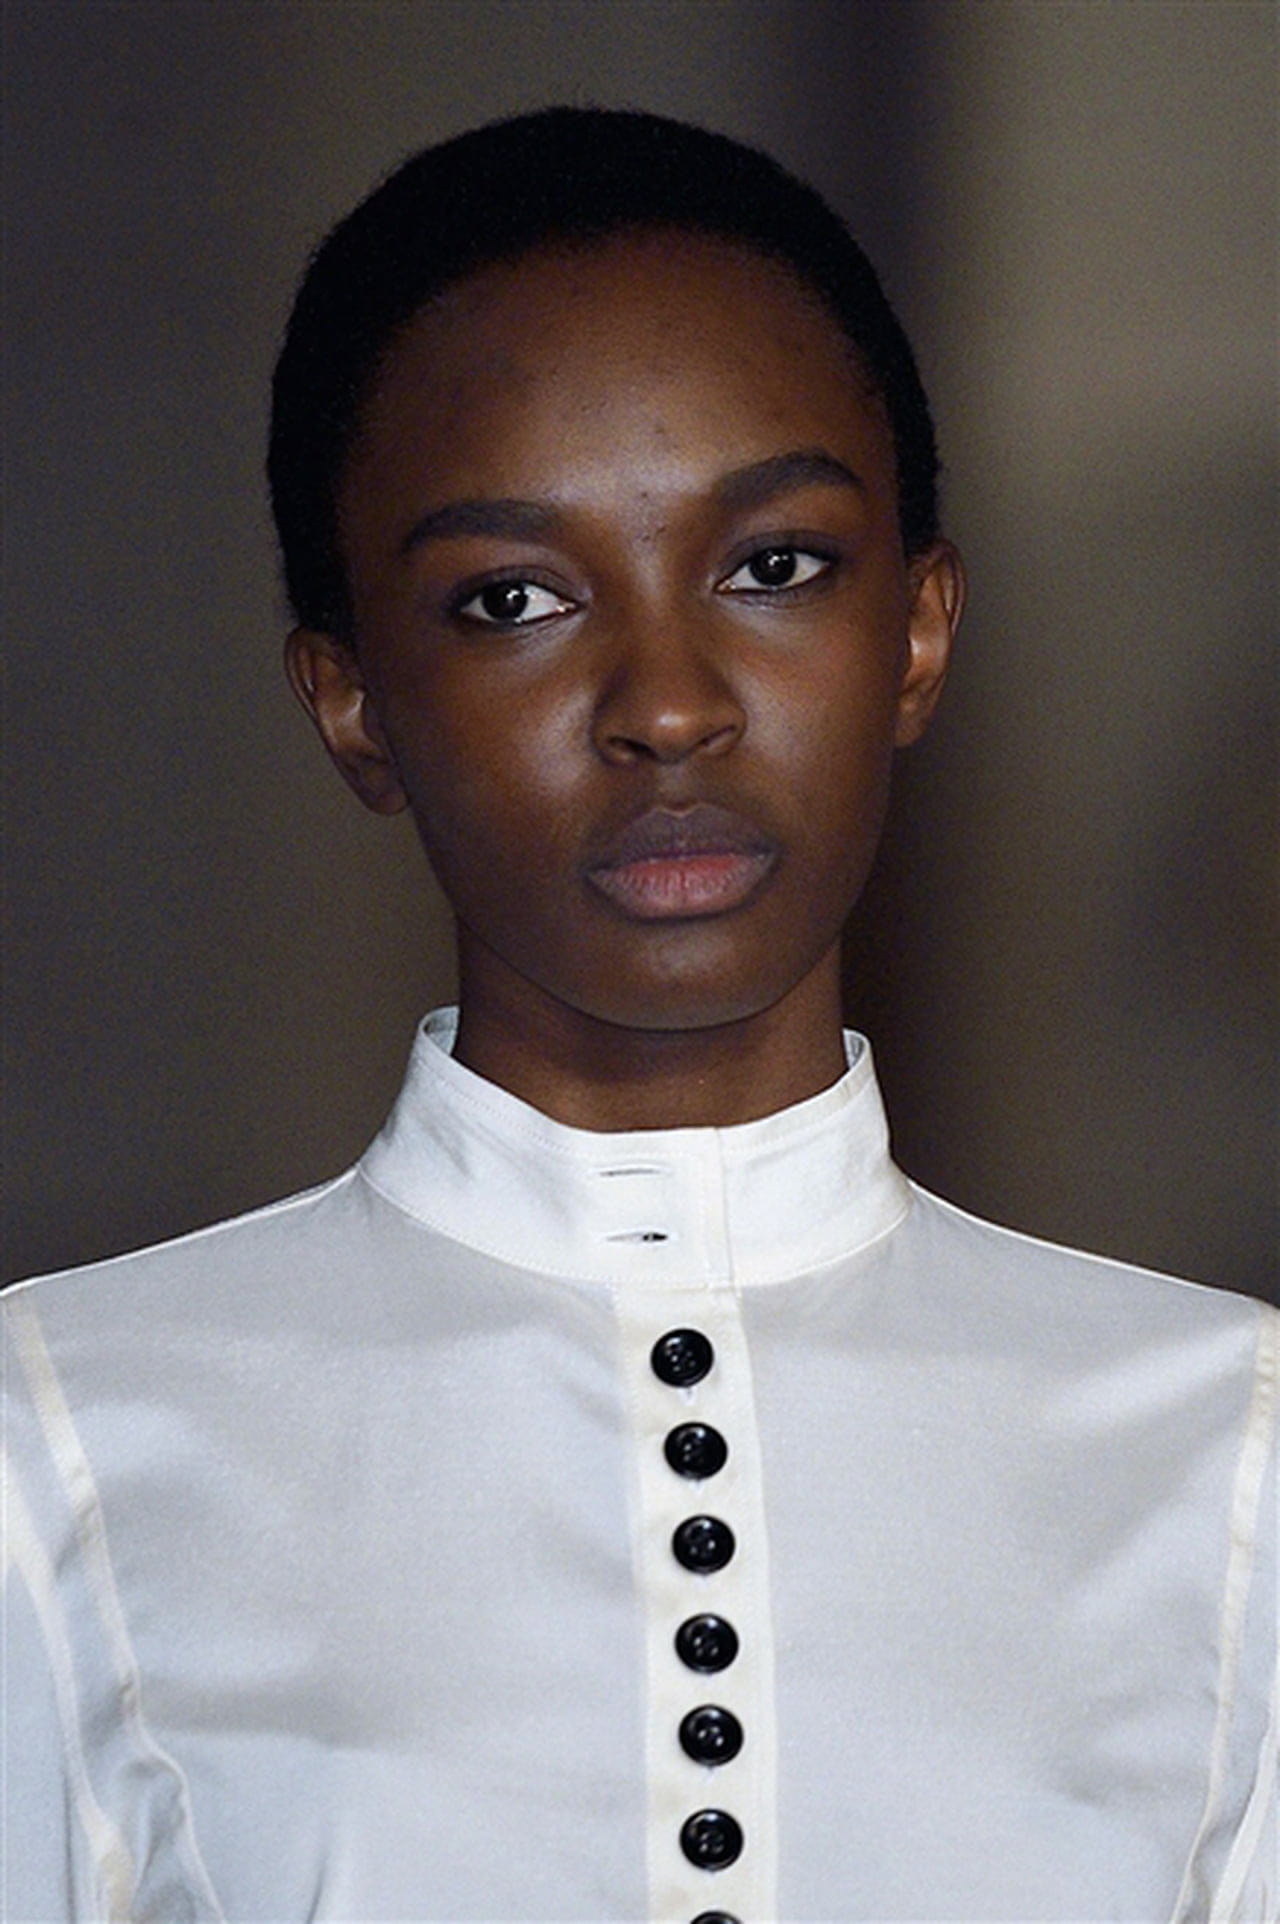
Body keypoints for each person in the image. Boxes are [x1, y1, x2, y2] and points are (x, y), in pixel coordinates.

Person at [3, 106, 1274, 1924]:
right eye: (513, 599)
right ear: (353, 702)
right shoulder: (60, 1447)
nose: (667, 706)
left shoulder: (1229, 1460)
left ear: (919, 633)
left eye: (775, 567)